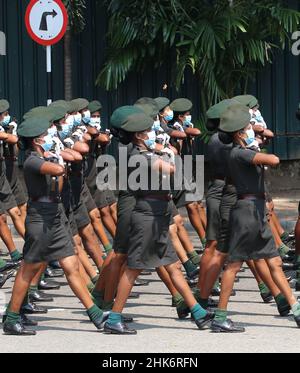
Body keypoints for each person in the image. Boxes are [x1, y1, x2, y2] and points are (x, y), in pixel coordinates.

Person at [104, 108, 213, 335]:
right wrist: (168, 153)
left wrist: (164, 151)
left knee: (172, 266)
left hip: (159, 214)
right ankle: (114, 318)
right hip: (146, 217)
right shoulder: (135, 156)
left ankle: (198, 313)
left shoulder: (147, 152)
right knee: (133, 269)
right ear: (137, 135)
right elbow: (169, 169)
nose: (151, 132)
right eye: (146, 130)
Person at [3, 116, 104, 335]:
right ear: (37, 141)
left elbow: (75, 156)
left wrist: (59, 151)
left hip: (55, 217)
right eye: (46, 136)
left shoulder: (45, 155)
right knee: (28, 269)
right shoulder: (32, 160)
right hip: (40, 219)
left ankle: (95, 313)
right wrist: (57, 154)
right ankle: (11, 317)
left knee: (71, 265)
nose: (50, 137)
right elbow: (58, 170)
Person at [210, 104, 300, 332]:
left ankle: (295, 308)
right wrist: (255, 147)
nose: (252, 130)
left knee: (274, 261)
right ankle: (220, 317)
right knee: (233, 265)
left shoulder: (241, 151)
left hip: (255, 210)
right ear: (240, 133)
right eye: (248, 127)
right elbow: (274, 160)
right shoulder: (239, 153)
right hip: (247, 212)